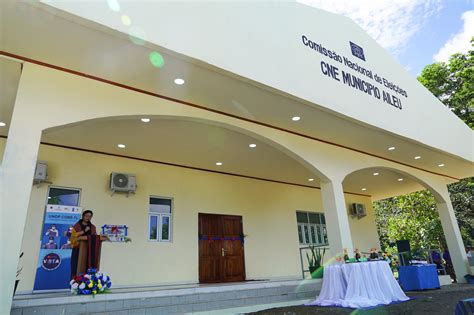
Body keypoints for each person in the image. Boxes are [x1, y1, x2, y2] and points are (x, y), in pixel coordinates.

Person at [70, 210, 97, 278]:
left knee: (87, 268)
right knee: (75, 267)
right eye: (86, 216)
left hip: (89, 250)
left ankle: (87, 283)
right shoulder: (77, 225)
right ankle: (74, 284)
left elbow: (94, 236)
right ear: (83, 216)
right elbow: (73, 237)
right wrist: (84, 231)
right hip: (77, 249)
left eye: (90, 216)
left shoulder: (93, 227)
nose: (88, 218)